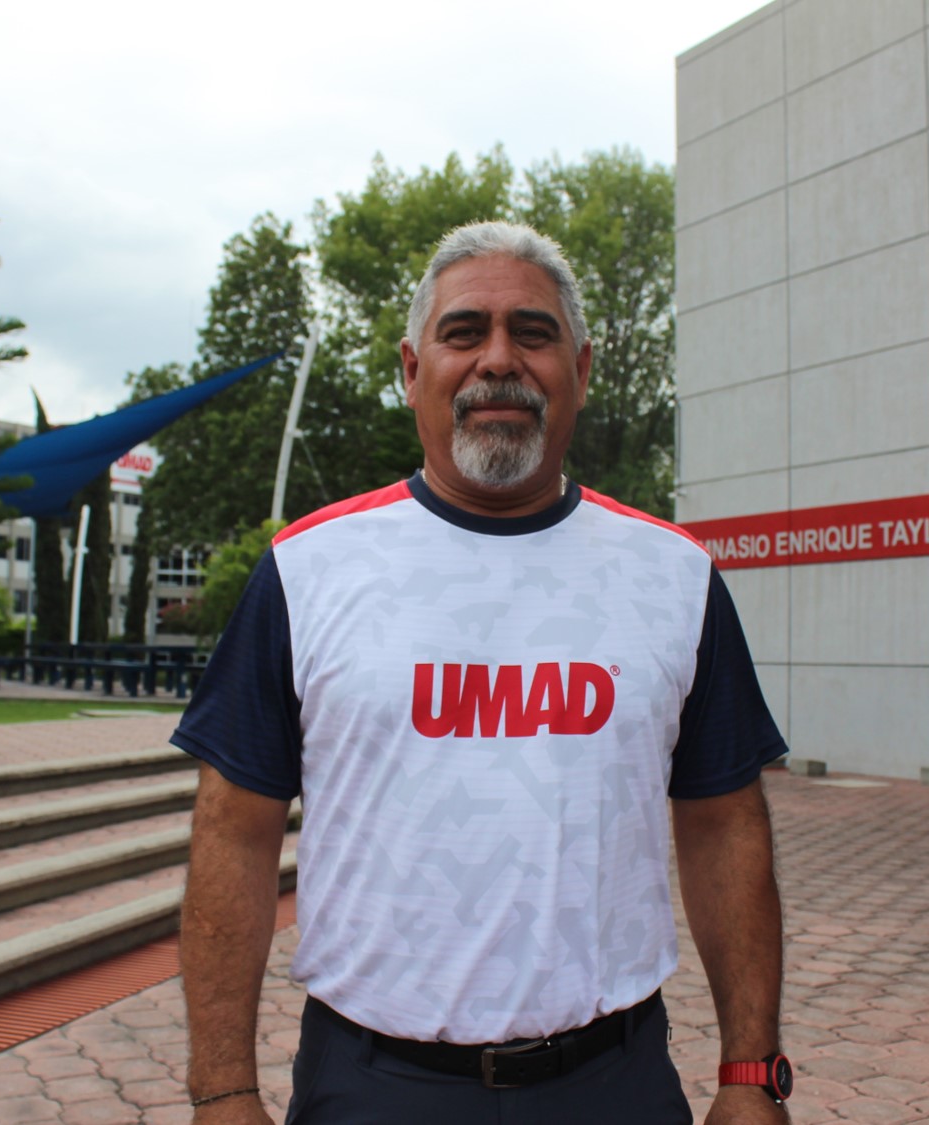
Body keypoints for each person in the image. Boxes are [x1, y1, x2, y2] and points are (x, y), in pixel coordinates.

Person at [174, 220, 792, 1124]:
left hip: (611, 1086)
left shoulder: (673, 575)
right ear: (410, 367)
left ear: (580, 368)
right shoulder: (309, 569)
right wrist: (221, 1089)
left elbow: (724, 823)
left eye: (532, 334)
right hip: (372, 1087)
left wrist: (750, 1072)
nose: (498, 359)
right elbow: (233, 831)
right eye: (464, 332)